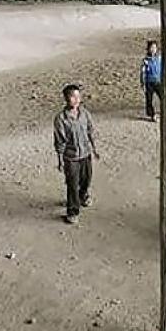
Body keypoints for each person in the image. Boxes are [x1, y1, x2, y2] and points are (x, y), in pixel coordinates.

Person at [53, 84, 99, 226]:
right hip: (71, 157)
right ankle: (72, 211)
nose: (77, 99)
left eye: (78, 96)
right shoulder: (61, 119)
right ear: (66, 98)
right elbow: (59, 141)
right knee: (72, 183)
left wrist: (94, 149)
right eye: (73, 96)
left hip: (85, 153)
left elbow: (90, 131)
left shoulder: (84, 113)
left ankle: (83, 195)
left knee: (86, 179)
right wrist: (60, 160)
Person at [140, 40, 162, 122]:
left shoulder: (159, 58)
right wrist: (142, 83)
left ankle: (164, 111)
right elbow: (143, 73)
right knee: (149, 99)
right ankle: (152, 114)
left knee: (163, 97)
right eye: (151, 47)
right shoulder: (145, 60)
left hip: (158, 81)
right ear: (148, 49)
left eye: (154, 47)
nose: (153, 49)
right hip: (149, 82)